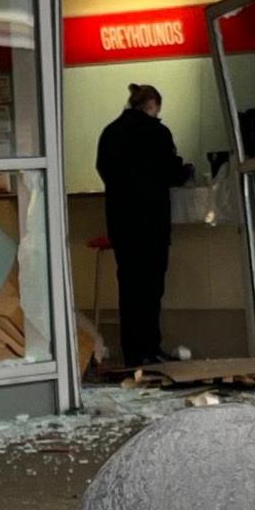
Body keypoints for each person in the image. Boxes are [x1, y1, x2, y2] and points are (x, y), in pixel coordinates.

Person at [96, 83, 194, 368]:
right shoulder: (157, 133)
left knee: (129, 286)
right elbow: (172, 172)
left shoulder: (110, 133)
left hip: (122, 223)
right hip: (151, 222)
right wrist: (186, 170)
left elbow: (103, 169)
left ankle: (132, 352)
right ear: (152, 105)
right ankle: (150, 348)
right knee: (151, 288)